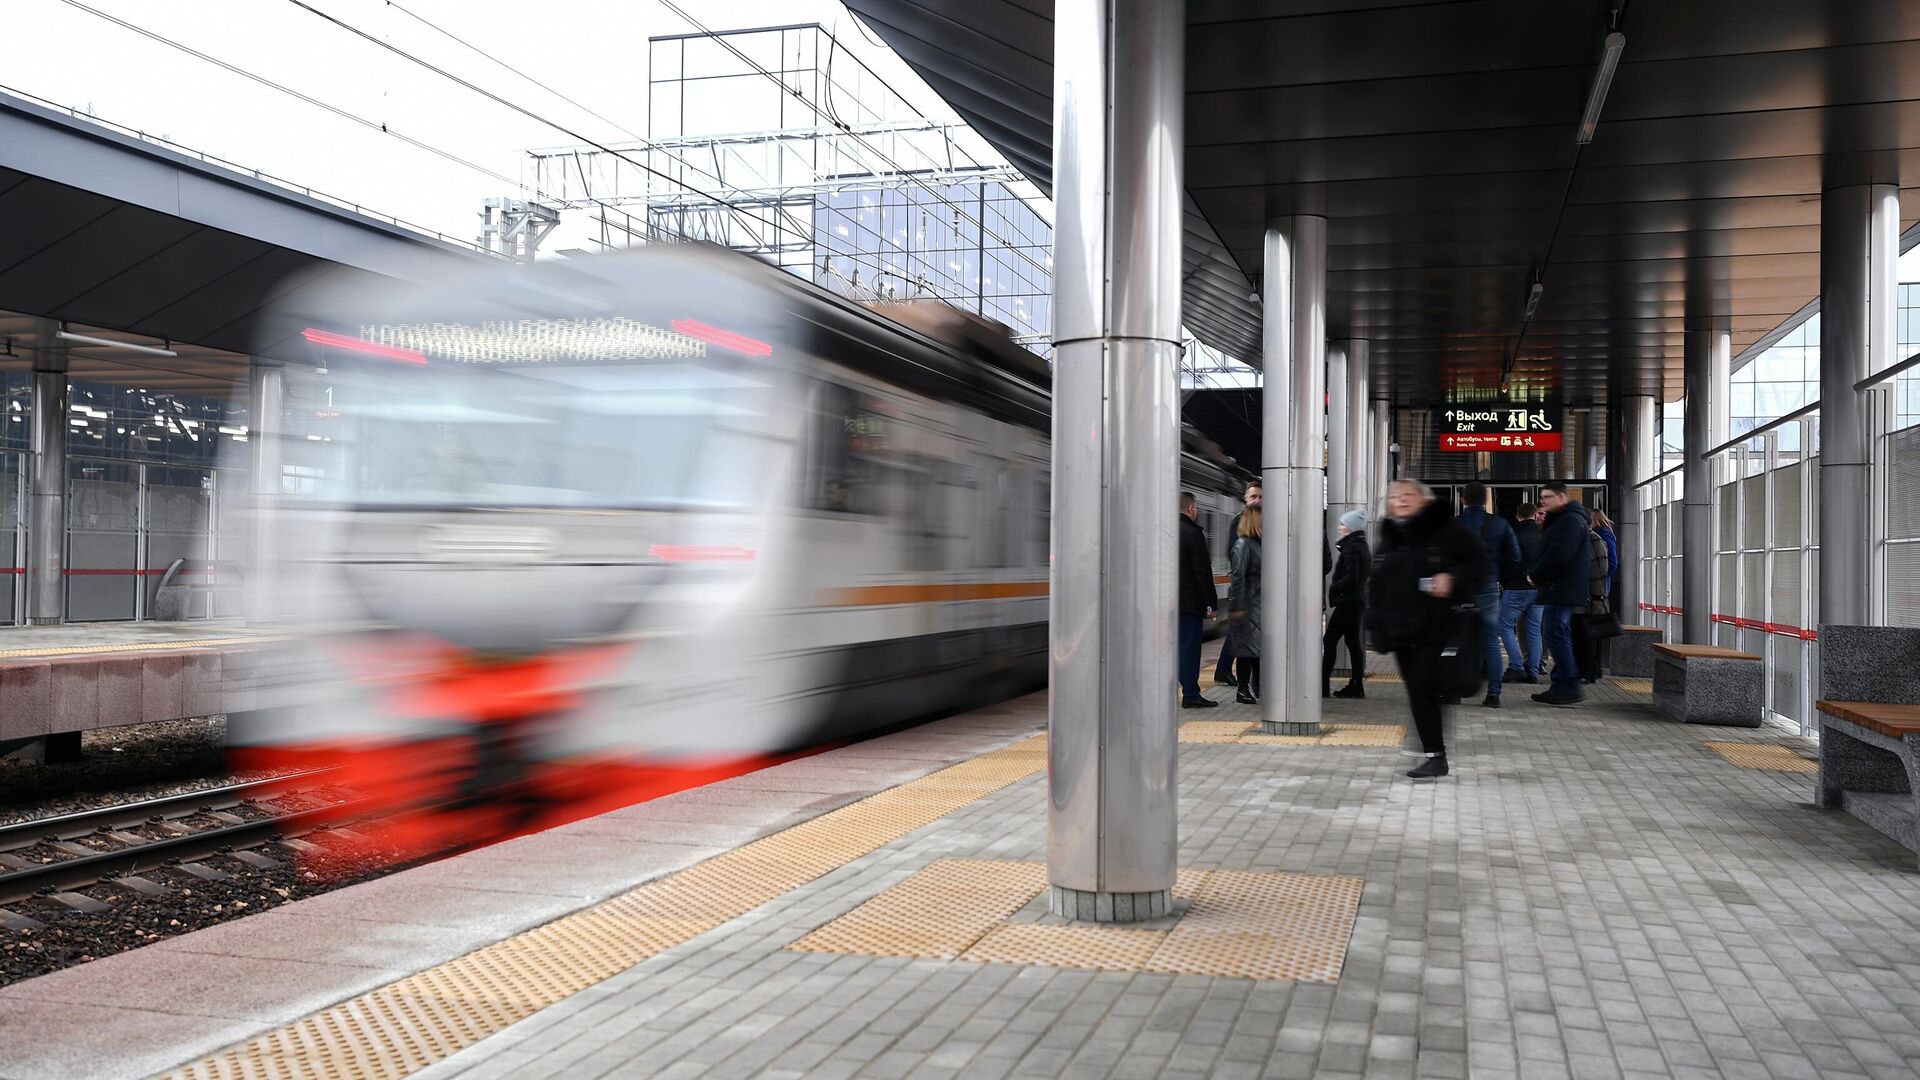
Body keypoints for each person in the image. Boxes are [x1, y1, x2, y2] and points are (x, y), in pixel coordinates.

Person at [1367, 479, 1487, 780]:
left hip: (1436, 626)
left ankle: (1435, 753)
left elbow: (1480, 565)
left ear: (1424, 500)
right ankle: (1431, 748)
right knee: (1419, 692)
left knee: (1423, 689)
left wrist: (1452, 578)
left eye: (1408, 495)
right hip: (1400, 629)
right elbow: (1377, 580)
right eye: (1395, 496)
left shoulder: (1446, 530)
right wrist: (1375, 620)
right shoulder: (1391, 534)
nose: (1401, 501)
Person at [1456, 483, 1520, 708]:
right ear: (1485, 500)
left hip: (1459, 590)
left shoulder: (1453, 525)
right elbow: (1515, 557)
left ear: (1463, 499)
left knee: (1456, 639)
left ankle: (1453, 690)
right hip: (1489, 588)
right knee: (1491, 642)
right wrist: (1499, 576)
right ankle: (1493, 694)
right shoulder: (1500, 524)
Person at [1527, 482, 1591, 705]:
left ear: (1562, 497)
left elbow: (1560, 554)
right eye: (1542, 497)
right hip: (1561, 587)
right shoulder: (1566, 519)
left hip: (1562, 587)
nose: (1543, 500)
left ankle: (1569, 685)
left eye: (1548, 497)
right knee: (1556, 633)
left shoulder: (1570, 521)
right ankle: (1560, 685)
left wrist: (1536, 575)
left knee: (1555, 633)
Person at [1214, 480, 1261, 687]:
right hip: (1247, 594)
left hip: (1257, 596)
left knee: (1242, 638)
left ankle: (1226, 673)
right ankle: (1239, 682)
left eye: (1261, 497)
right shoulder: (1239, 523)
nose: (1257, 501)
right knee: (1242, 639)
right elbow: (1235, 558)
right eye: (1253, 496)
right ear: (1245, 498)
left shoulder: (1266, 521)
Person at [1178, 492, 1220, 709]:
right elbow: (1202, 572)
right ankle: (1191, 694)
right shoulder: (1193, 534)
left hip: (1165, 603)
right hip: (1188, 605)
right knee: (1188, 649)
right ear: (1191, 508)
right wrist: (1210, 603)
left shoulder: (1162, 532)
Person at [1324, 510, 1371, 699]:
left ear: (1351, 528)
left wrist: (1336, 588)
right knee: (1352, 641)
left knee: (1329, 640)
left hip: (1349, 602)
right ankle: (1356, 684)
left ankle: (1323, 685)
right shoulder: (1361, 545)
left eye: (1343, 524)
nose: (1339, 527)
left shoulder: (1352, 548)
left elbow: (1351, 576)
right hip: (1357, 601)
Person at [1500, 503, 1543, 684]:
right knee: (1534, 629)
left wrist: (1505, 582)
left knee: (1504, 625)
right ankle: (1533, 671)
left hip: (1515, 587)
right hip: (1539, 589)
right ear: (1535, 515)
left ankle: (1516, 666)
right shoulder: (1544, 535)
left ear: (1518, 516)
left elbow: (1504, 562)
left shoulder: (1511, 534)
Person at [1225, 506, 1263, 704]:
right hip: (1247, 606)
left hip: (1257, 605)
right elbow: (1239, 577)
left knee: (1256, 649)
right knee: (1246, 651)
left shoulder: (1257, 544)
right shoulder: (1243, 545)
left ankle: (1257, 686)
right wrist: (1238, 606)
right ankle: (1242, 689)